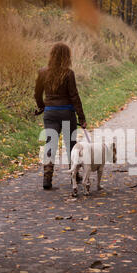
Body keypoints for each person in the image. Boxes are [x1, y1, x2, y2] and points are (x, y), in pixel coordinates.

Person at [34, 43, 87, 190]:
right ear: (67, 56)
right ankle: (74, 176)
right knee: (71, 144)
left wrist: (41, 107)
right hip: (66, 113)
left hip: (50, 112)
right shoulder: (68, 73)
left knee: (50, 143)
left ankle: (47, 178)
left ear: (51, 55)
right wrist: (81, 118)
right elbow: (74, 96)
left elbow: (37, 94)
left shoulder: (43, 72)